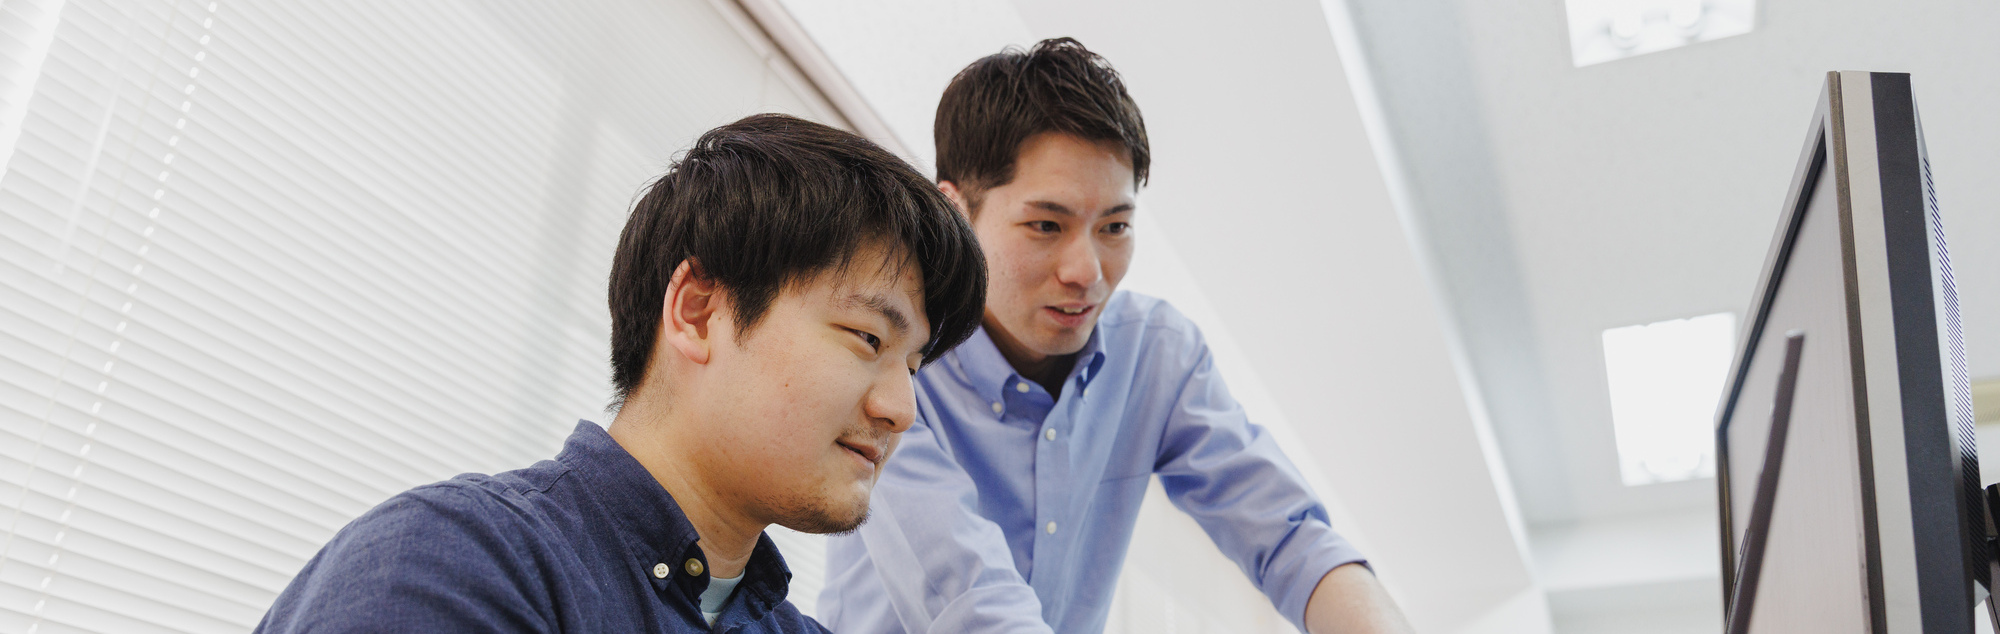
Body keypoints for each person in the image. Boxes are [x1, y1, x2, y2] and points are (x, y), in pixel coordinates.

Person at [256, 114, 987, 633]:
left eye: (913, 366)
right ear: (698, 312)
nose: (901, 408)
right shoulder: (456, 562)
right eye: (867, 338)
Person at [818, 39, 1415, 634]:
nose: (1087, 272)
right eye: (1046, 224)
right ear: (956, 212)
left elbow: (1292, 542)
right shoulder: (893, 362)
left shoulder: (1158, 357)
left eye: (1115, 227)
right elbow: (970, 601)